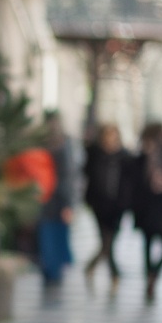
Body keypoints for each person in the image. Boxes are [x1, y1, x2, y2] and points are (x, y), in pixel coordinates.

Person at [83, 123, 132, 289]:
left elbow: (129, 183)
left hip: (117, 206)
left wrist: (126, 202)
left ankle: (93, 266)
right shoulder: (95, 154)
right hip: (100, 205)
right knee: (106, 241)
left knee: (109, 242)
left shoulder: (124, 156)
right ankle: (114, 274)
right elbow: (88, 177)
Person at [131, 122, 162, 301]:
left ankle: (154, 274)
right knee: (147, 243)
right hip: (146, 206)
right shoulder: (141, 156)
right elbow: (136, 181)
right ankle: (149, 278)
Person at [36, 113, 75, 285]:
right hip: (49, 199)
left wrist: (67, 203)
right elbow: (68, 177)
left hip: (51, 198)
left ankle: (52, 270)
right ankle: (52, 270)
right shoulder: (60, 146)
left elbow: (67, 177)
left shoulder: (61, 146)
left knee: (53, 236)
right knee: (51, 236)